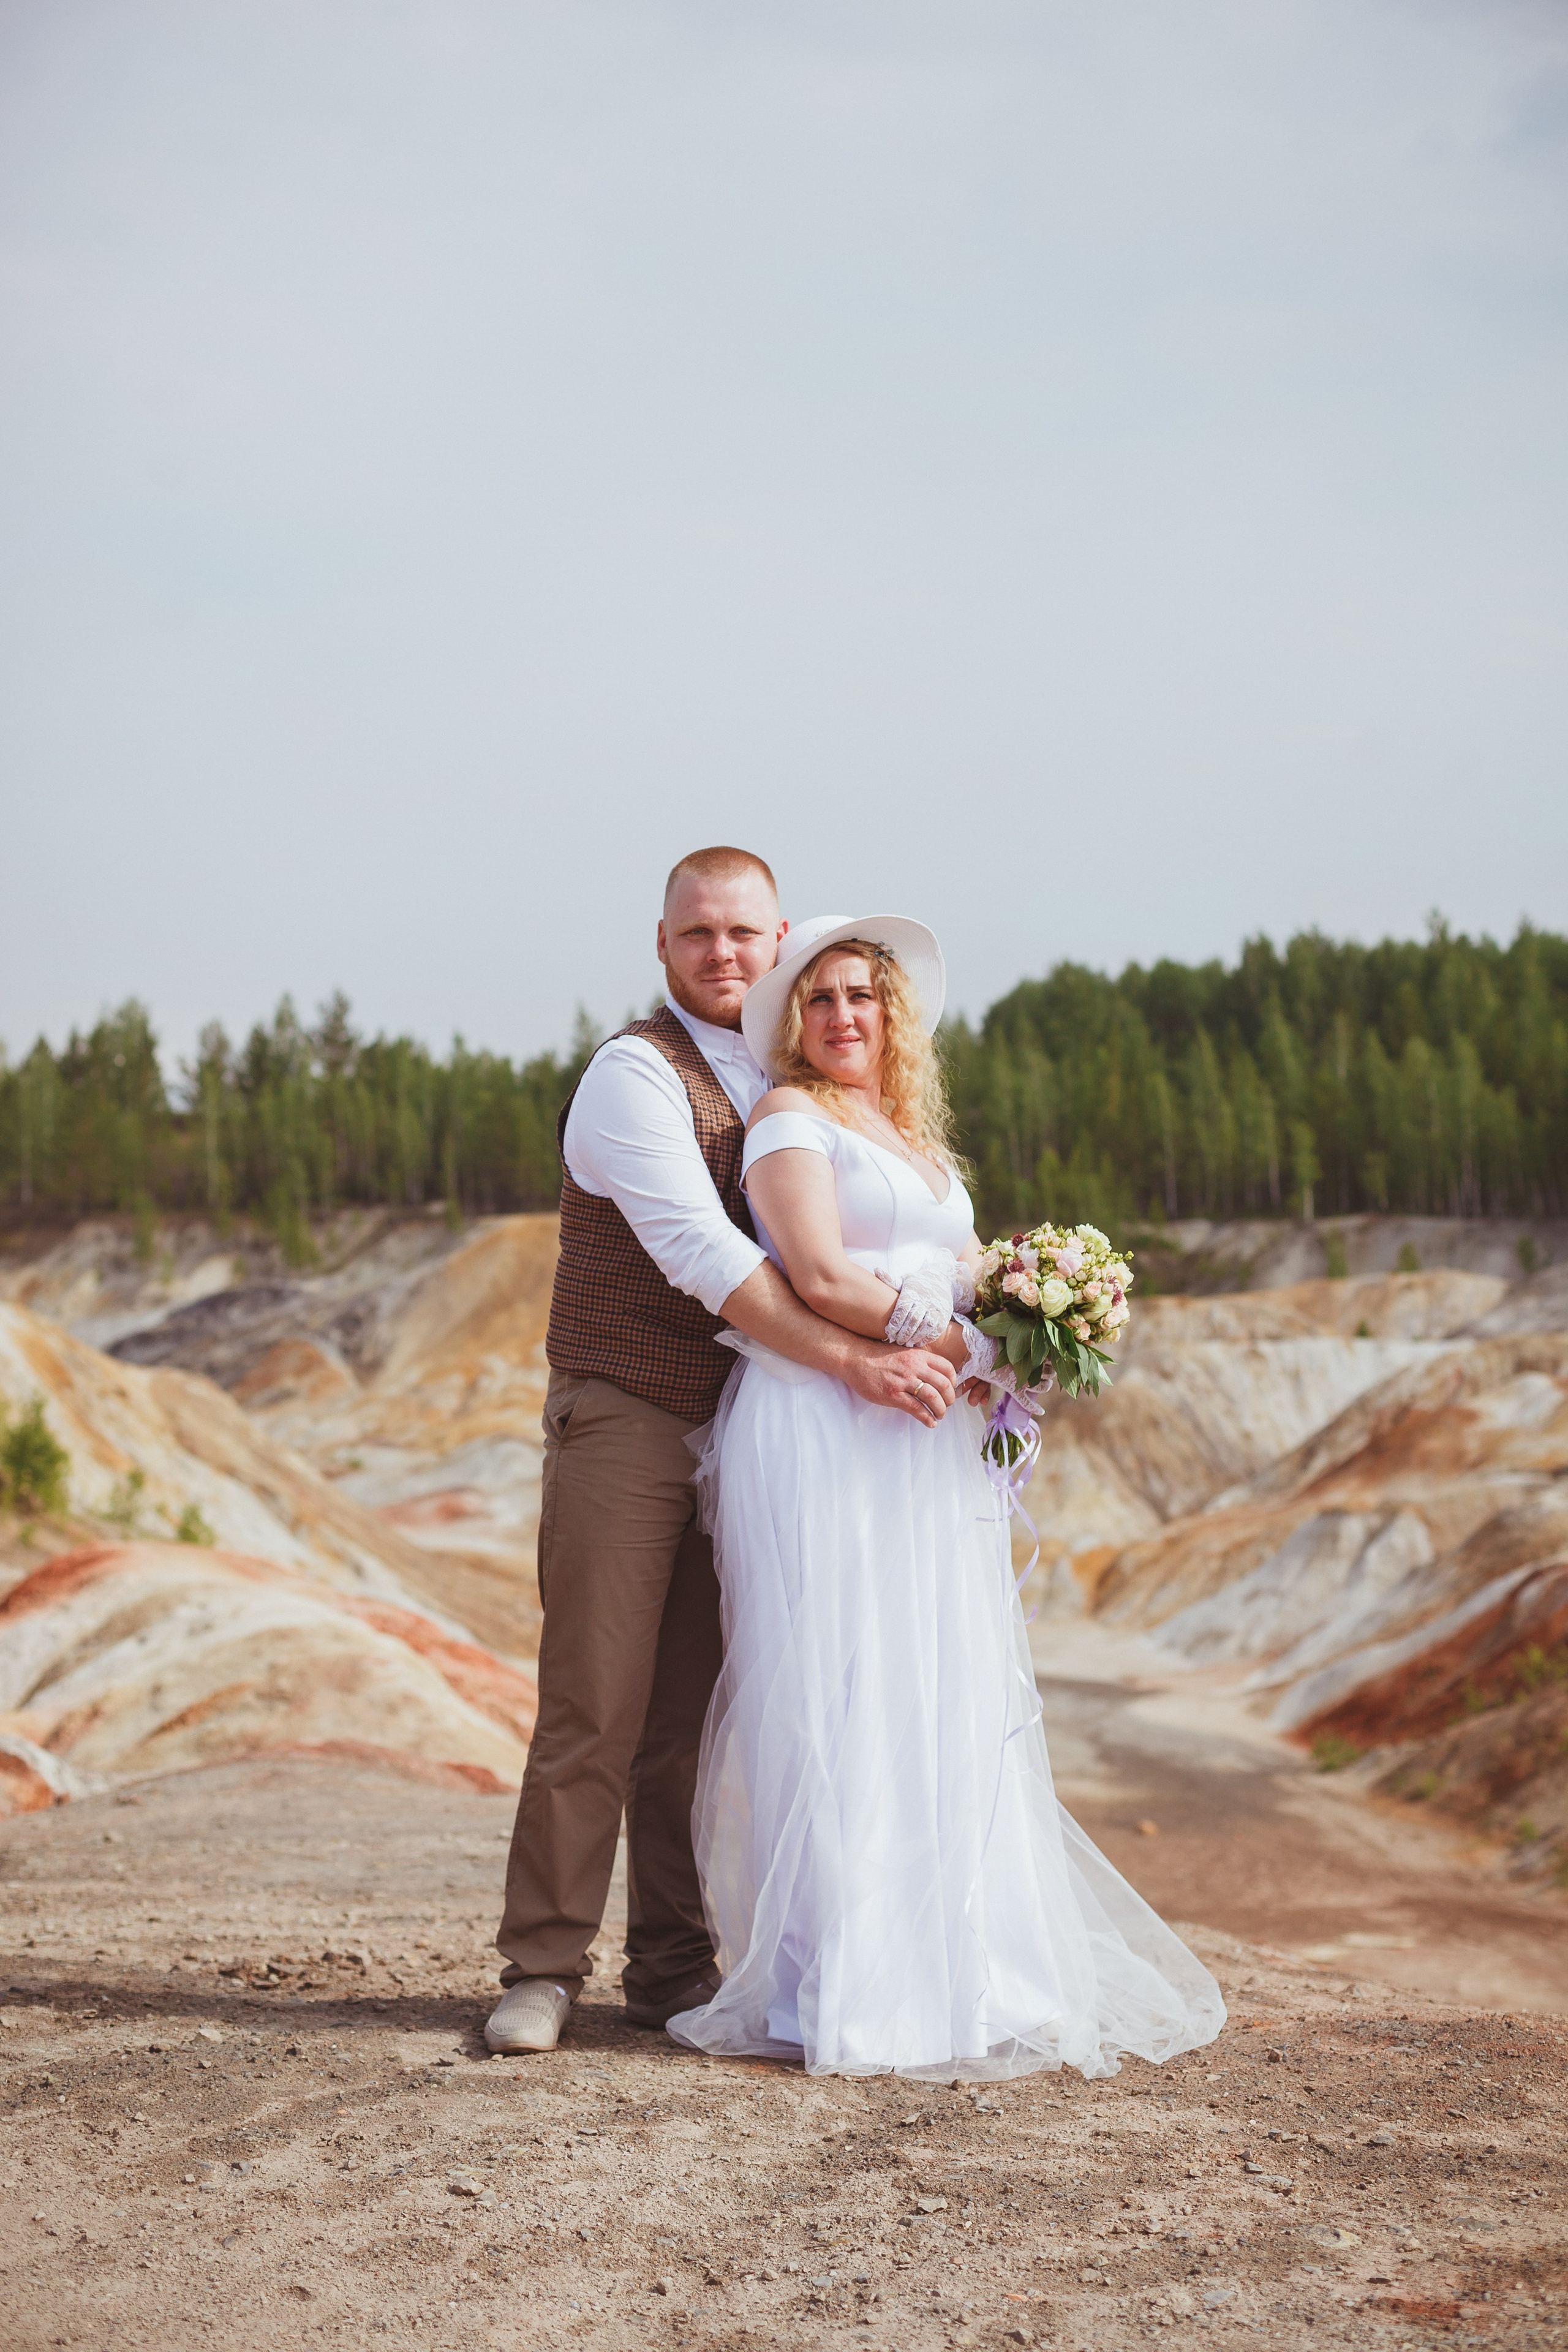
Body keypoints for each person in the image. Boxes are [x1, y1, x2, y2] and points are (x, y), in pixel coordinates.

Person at [667, 914, 1226, 2078]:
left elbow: (957, 1269)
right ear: (792, 1022)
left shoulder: (909, 1137)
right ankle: (858, 1991)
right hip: (832, 1424)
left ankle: (964, 1972)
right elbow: (816, 1274)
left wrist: (1022, 1326)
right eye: (818, 1000)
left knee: (940, 1679)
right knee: (850, 1679)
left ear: (892, 1014)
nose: (843, 1018)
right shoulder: (788, 1121)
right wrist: (951, 1336)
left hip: (922, 1435)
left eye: (863, 997)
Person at [487, 854, 964, 2056]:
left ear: (781, 937)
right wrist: (859, 1361)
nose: (722, 954)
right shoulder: (631, 1076)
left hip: (762, 1431)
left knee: (693, 1723)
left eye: (744, 932)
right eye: (697, 933)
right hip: (628, 1413)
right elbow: (709, 1258)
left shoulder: (800, 1073)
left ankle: (671, 1969)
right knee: (595, 1703)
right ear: (661, 944)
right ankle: (542, 1968)